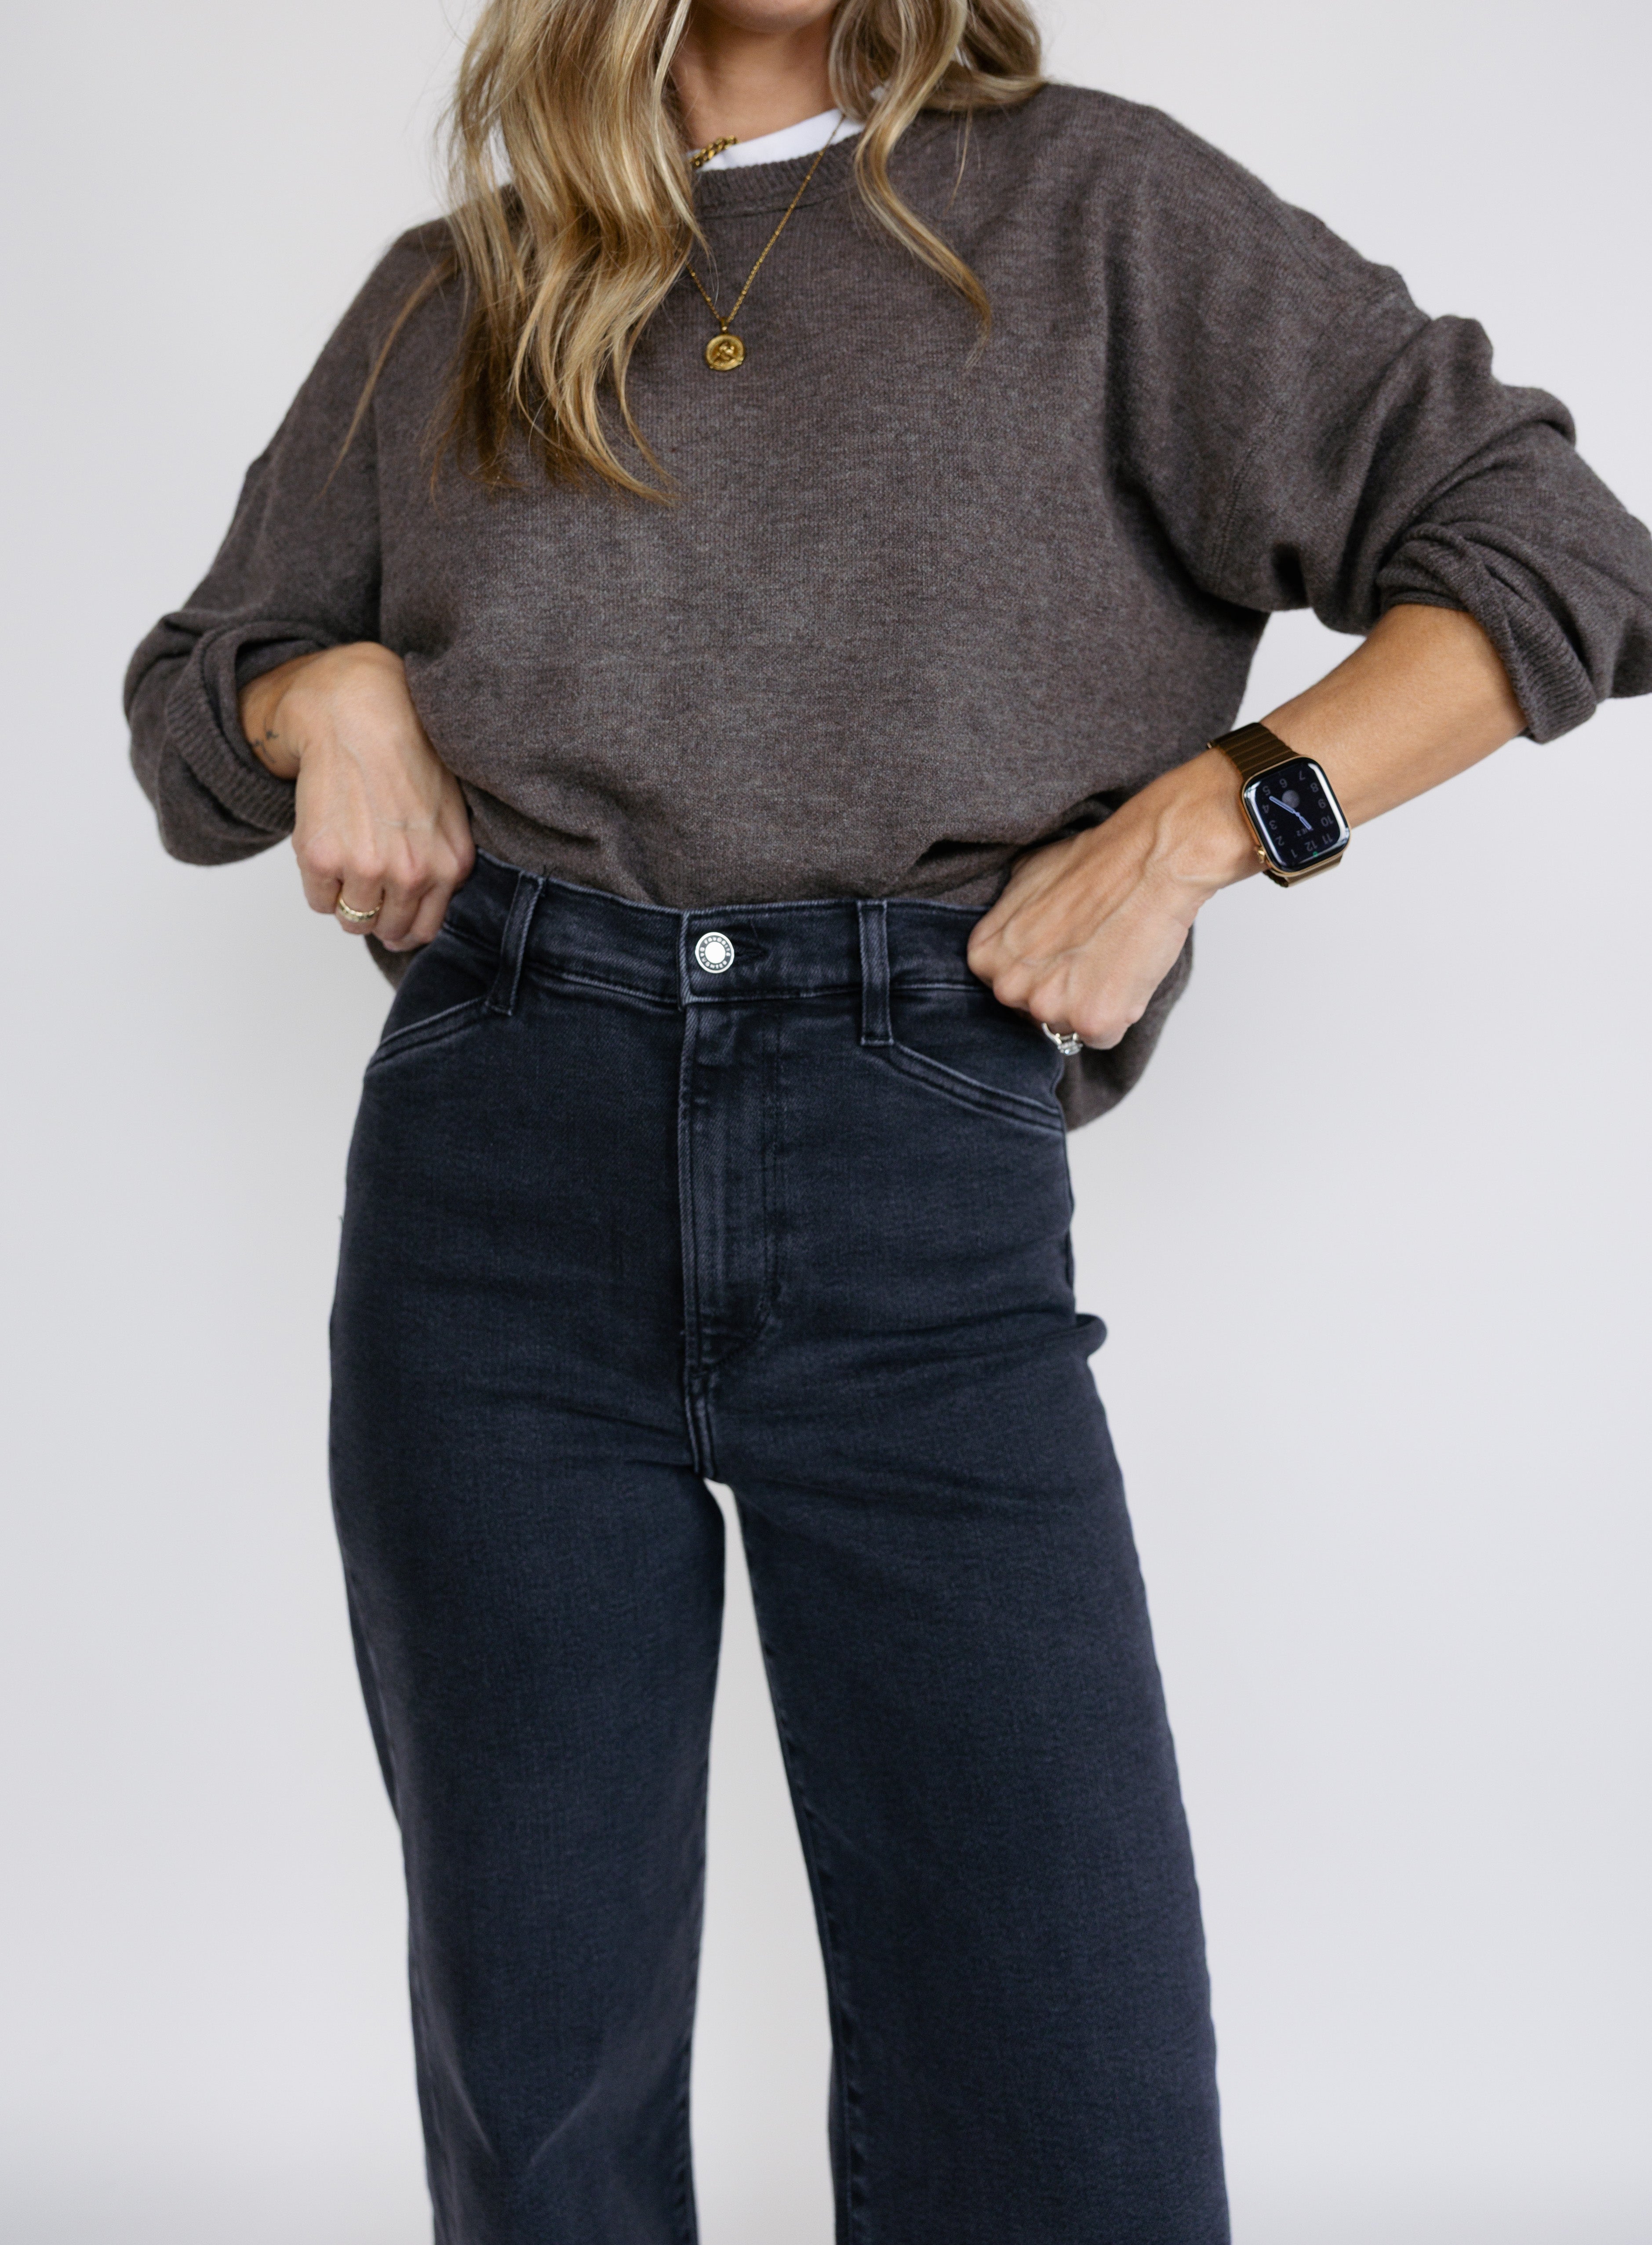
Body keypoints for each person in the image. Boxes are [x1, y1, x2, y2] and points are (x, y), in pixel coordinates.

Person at [124, 0, 1652, 2237]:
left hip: (914, 1156)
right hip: (499, 1159)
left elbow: (1557, 548)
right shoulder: (464, 285)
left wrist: (1211, 824)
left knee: (1067, 2090)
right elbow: (191, 711)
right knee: (541, 2082)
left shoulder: (1097, 208)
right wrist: (320, 682)